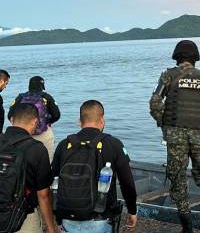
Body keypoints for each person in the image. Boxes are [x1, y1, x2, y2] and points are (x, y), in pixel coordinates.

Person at [149, 40, 200, 233]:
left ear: (177, 57)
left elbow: (155, 103)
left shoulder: (168, 76)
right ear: (195, 58)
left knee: (178, 180)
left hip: (175, 136)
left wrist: (164, 124)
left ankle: (188, 229)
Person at [0, 103, 56, 233]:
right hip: (24, 218)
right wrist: (51, 227)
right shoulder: (37, 149)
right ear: (35, 121)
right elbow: (43, 195)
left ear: (11, 119)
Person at [52, 100, 138, 233]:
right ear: (102, 120)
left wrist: (56, 218)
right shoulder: (113, 144)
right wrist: (132, 211)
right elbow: (128, 183)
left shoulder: (64, 145)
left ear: (79, 122)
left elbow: (54, 182)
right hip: (100, 220)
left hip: (68, 218)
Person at [8, 75, 60, 160]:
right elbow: (56, 115)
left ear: (29, 86)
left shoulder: (20, 97)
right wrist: (46, 122)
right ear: (42, 86)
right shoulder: (46, 97)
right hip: (43, 133)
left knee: (23, 160)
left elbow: (10, 115)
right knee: (46, 159)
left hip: (23, 135)